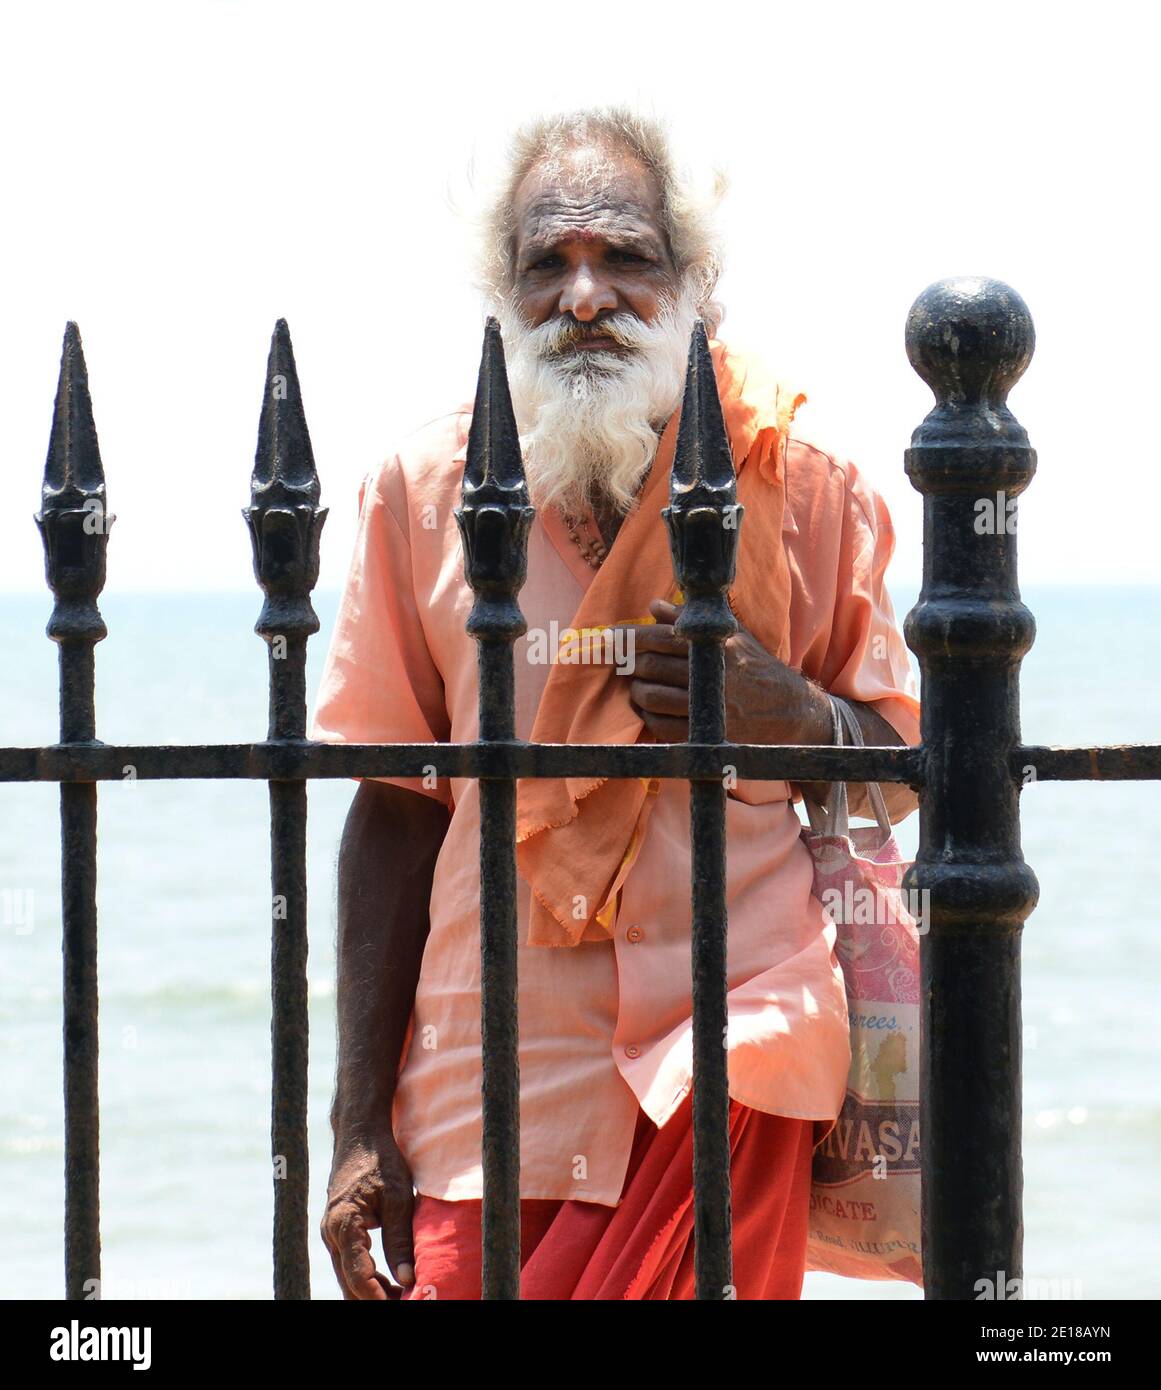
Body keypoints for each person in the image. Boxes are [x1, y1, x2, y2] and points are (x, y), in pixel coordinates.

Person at [310, 106, 920, 1301]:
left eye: (626, 257)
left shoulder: (800, 489)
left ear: (693, 288)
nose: (585, 295)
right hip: (491, 1089)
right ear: (504, 297)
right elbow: (392, 807)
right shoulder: (423, 494)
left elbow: (908, 765)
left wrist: (784, 710)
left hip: (733, 1056)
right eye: (550, 263)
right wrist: (351, 1122)